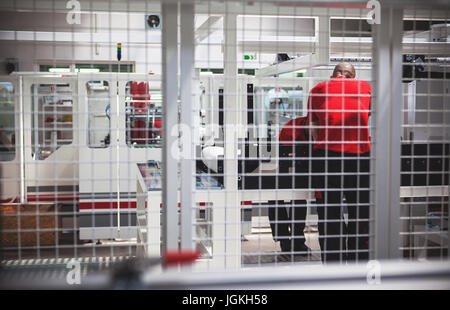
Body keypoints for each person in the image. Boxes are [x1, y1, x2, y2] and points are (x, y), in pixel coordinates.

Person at [307, 62, 372, 263]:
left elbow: (313, 126)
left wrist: (326, 139)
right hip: (359, 157)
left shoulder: (318, 89)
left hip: (327, 157)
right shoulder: (365, 87)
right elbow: (365, 117)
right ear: (352, 76)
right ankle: (358, 264)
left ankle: (333, 268)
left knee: (329, 214)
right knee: (360, 213)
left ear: (333, 75)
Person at [268, 116, 311, 261]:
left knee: (299, 196)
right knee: (275, 196)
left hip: (303, 154)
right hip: (283, 154)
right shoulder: (292, 130)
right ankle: (284, 240)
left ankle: (298, 240)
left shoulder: (320, 130)